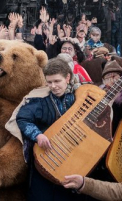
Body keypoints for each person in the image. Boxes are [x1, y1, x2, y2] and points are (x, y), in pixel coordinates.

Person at [12, 57, 81, 200]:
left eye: (57, 81)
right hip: (45, 157)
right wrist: (37, 135)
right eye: (49, 82)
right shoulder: (39, 99)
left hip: (73, 156)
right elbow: (23, 119)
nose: (53, 86)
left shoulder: (78, 97)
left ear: (67, 78)